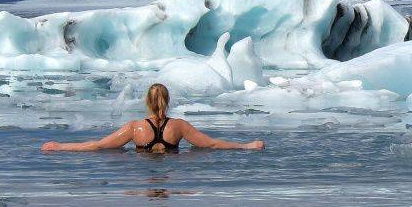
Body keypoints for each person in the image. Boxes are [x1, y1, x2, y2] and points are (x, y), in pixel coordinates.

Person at [41, 83, 264, 153]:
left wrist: (60, 146)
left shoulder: (135, 128)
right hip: (172, 169)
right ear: (167, 101)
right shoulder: (179, 127)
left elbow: (97, 146)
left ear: (147, 101)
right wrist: (246, 146)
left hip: (144, 169)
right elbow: (213, 144)